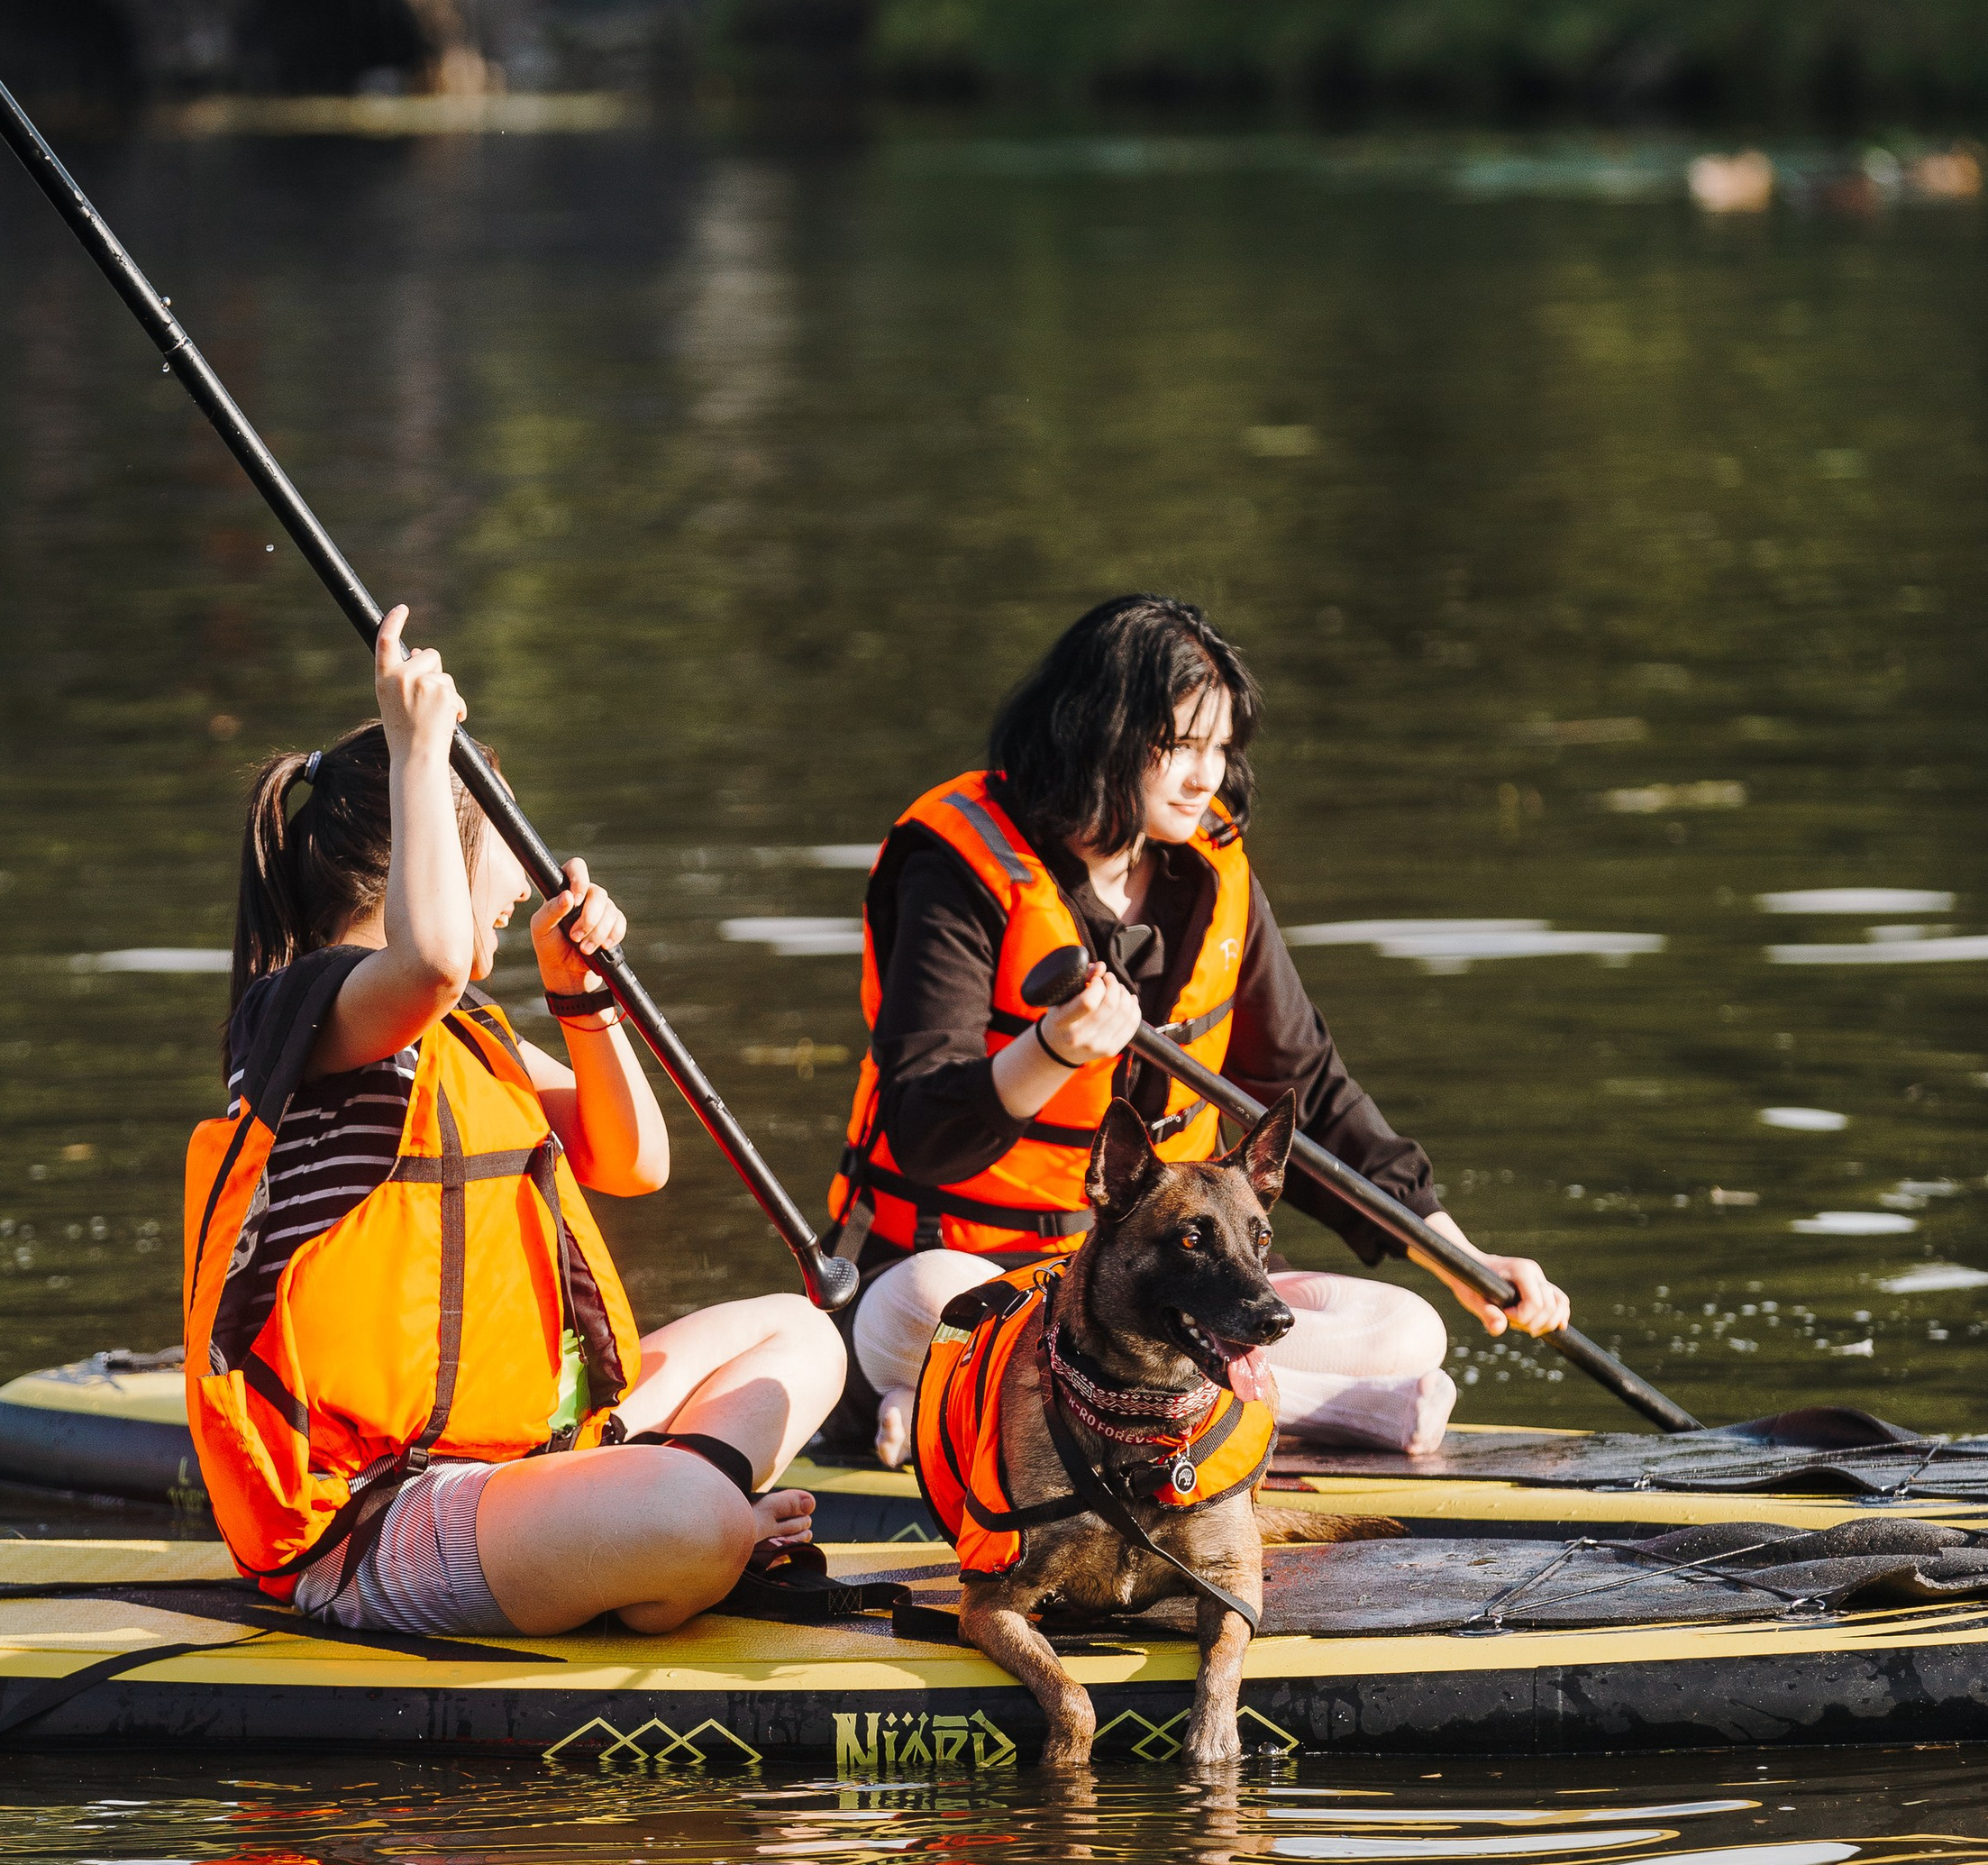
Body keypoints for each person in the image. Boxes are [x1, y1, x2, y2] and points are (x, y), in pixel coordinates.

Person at [186, 609, 844, 1639]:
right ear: (430, 851)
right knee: (689, 1515)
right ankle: (697, 1531)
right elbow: (433, 958)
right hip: (383, 1519)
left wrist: (581, 1000)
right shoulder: (305, 1016)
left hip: (527, 1466)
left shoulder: (474, 1034)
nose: (523, 874)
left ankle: (692, 1523)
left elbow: (637, 1164)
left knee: (799, 1334)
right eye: (499, 840)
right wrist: (415, 748)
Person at [826, 594, 1570, 1461]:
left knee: (1407, 1331)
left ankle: (965, 1410)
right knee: (933, 1299)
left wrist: (1454, 1252)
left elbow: (1306, 1084)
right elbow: (923, 1134)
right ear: (1095, 733)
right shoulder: (955, 870)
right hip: (970, 1274)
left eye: (1219, 748)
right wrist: (1053, 1049)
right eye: (1176, 747)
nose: (1205, 777)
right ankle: (1327, 1410)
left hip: (1160, 1292)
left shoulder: (1209, 871)